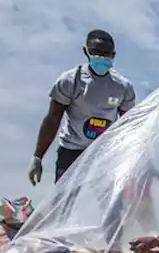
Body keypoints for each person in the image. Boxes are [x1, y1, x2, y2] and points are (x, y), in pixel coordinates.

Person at [29, 30, 138, 186]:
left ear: (113, 55)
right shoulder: (71, 81)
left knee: (113, 204)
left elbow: (129, 124)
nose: (101, 57)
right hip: (71, 153)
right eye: (96, 52)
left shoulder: (122, 87)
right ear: (86, 51)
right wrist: (37, 157)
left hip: (104, 154)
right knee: (64, 204)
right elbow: (53, 118)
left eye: (106, 54)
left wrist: (131, 157)